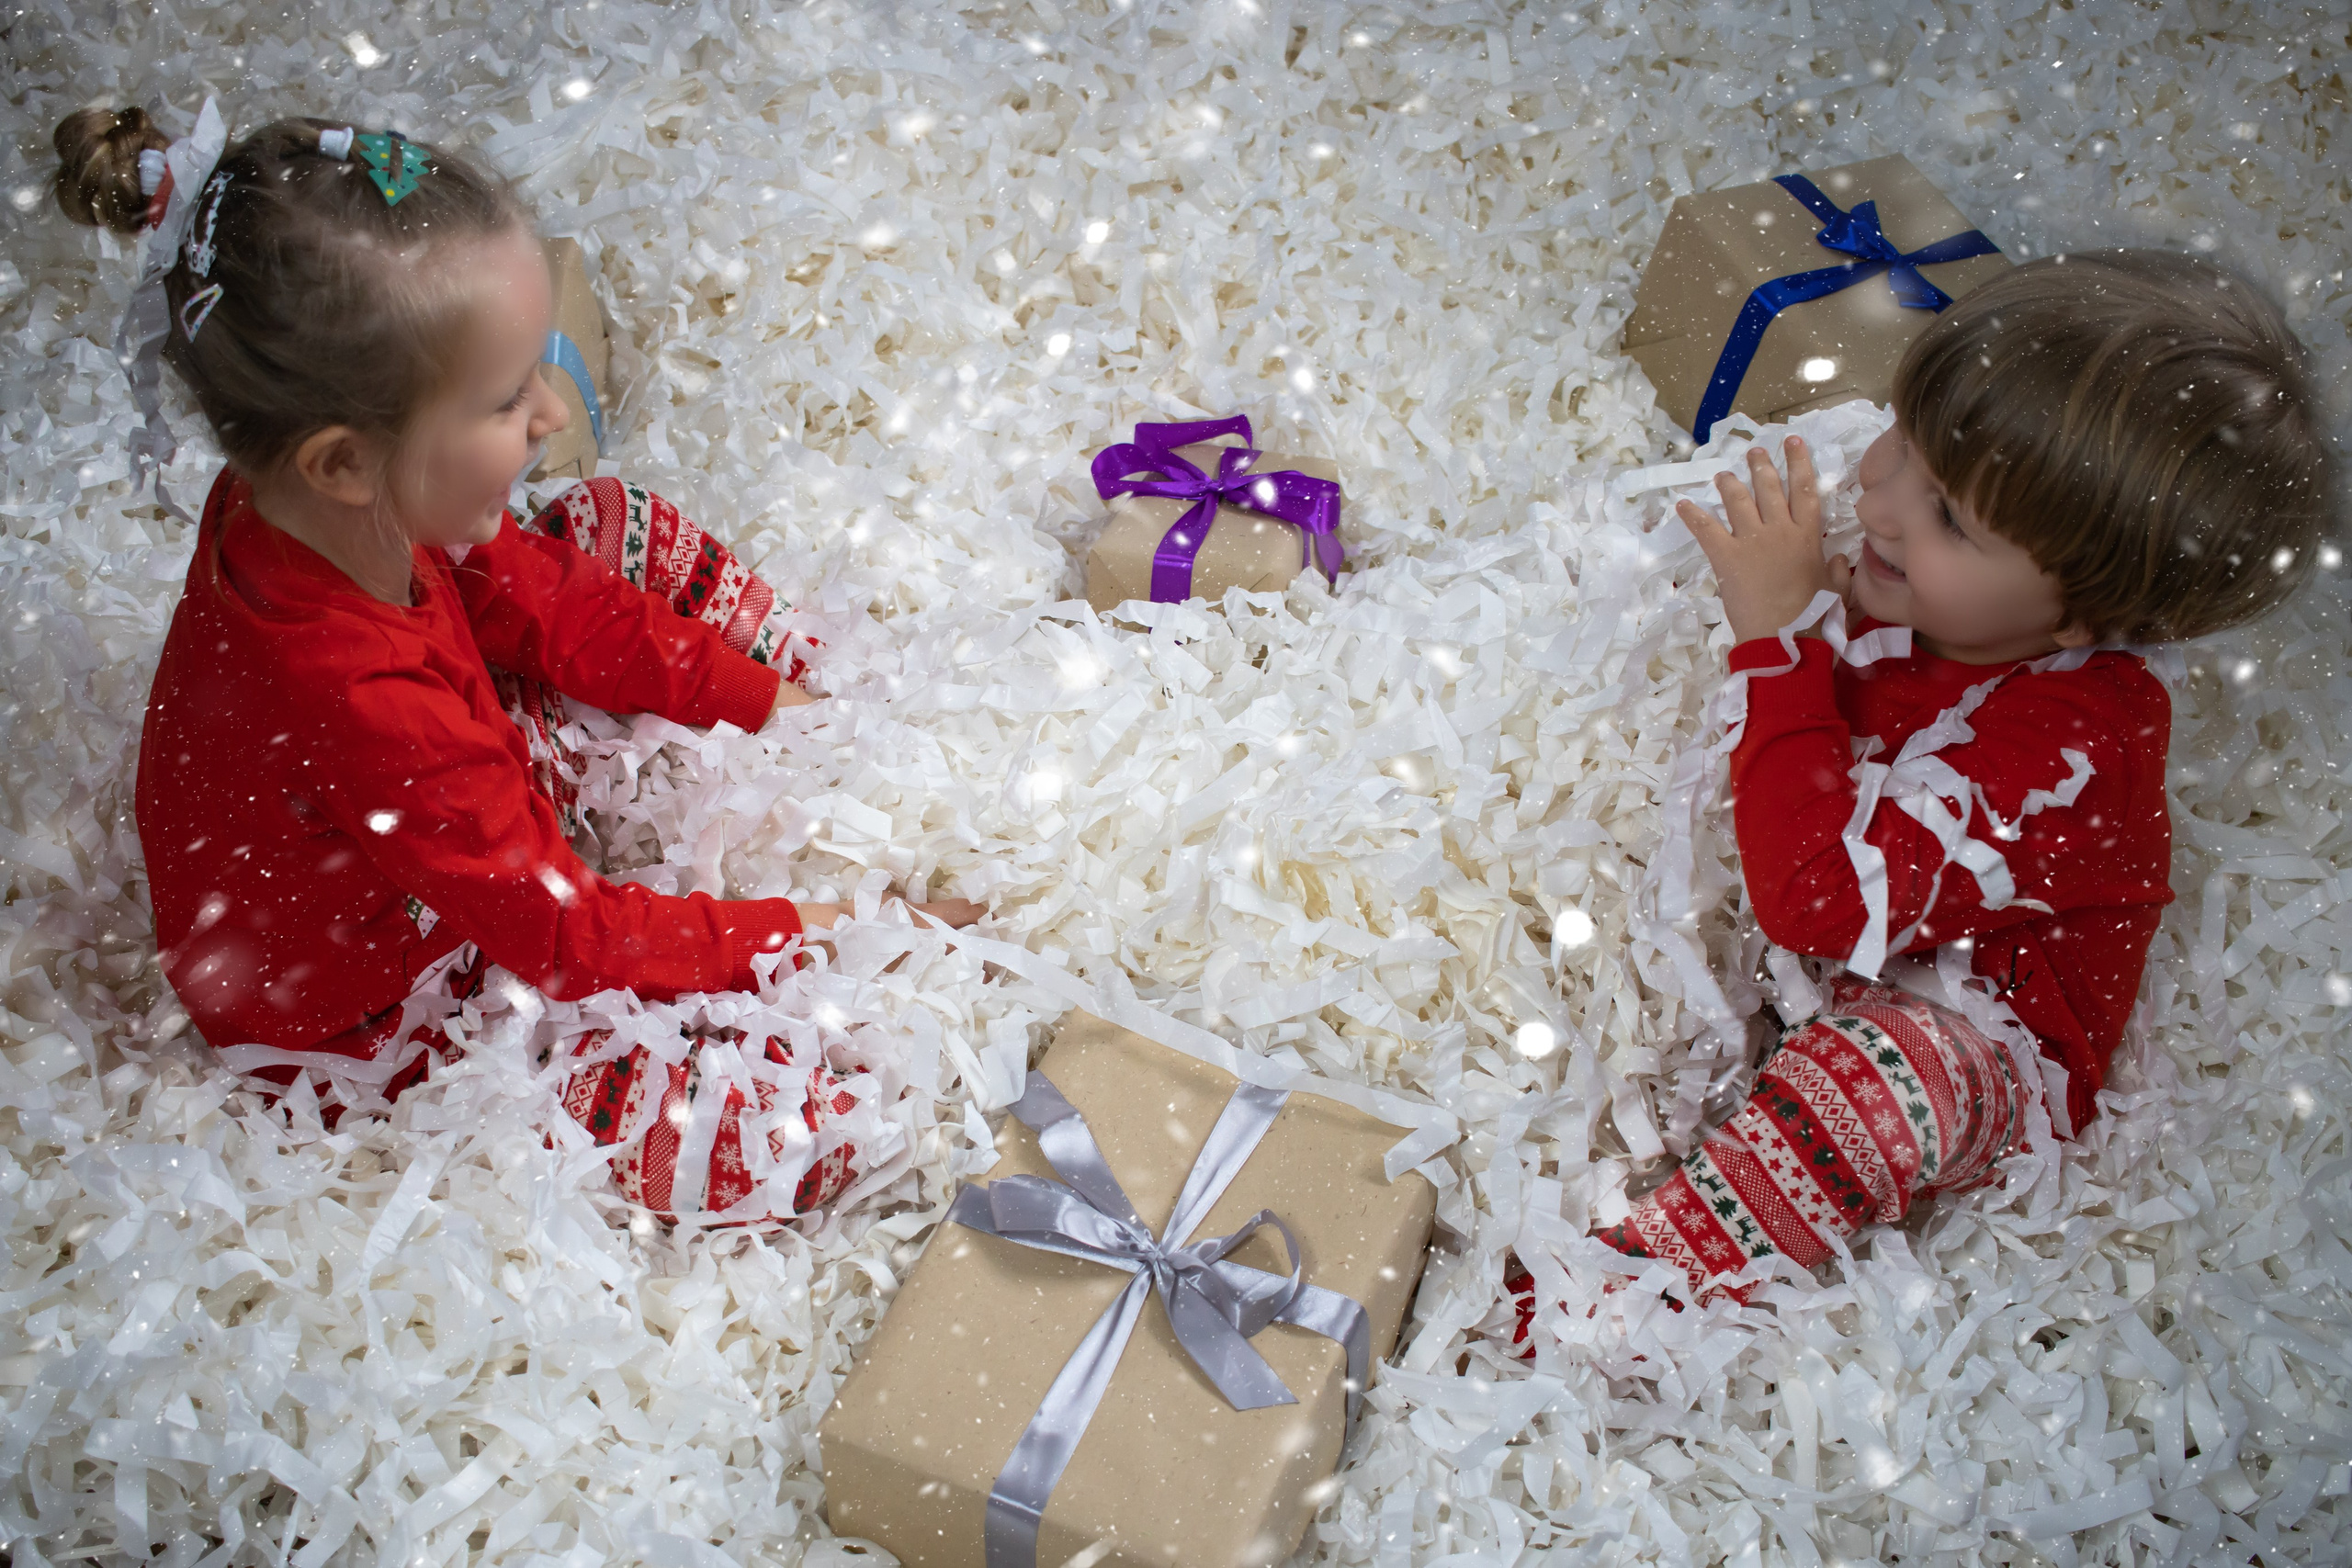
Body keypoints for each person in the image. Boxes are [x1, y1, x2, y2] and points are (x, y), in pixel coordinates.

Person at [54, 102, 983, 1226]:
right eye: (505, 401)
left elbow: (537, 592)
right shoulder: (361, 696)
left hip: (427, 827)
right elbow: (570, 938)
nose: (551, 411)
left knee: (606, 523)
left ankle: (813, 699)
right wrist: (820, 929)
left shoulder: (325, 503)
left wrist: (778, 702)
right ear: (345, 460)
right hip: (381, 1014)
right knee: (805, 1131)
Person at [1508, 250, 2336, 1336]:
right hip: (1842, 949)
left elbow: (1818, 901)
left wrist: (1778, 638)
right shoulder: (1955, 592)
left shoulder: (2078, 745)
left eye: (1948, 518)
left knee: (1883, 1081)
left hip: (1971, 1031)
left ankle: (1632, 1297)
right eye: (1903, 437)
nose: (1879, 499)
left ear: (2084, 615)